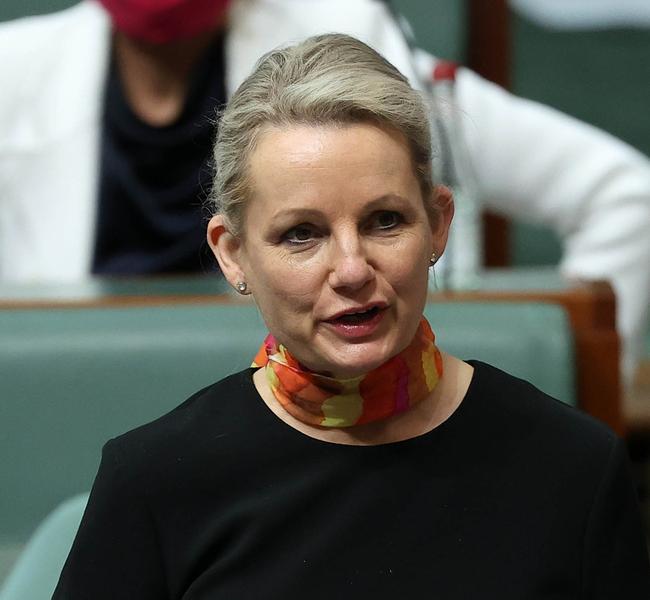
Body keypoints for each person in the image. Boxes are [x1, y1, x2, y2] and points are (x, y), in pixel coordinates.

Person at [14, 32, 650, 600]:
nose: (351, 268)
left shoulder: (573, 470)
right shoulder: (152, 482)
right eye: (302, 234)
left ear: (439, 224)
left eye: (384, 220)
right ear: (233, 254)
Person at [0, 0, 649, 383]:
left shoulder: (345, 35)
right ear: (226, 249)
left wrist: (553, 386)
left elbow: (626, 197)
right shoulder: (14, 71)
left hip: (337, 438)